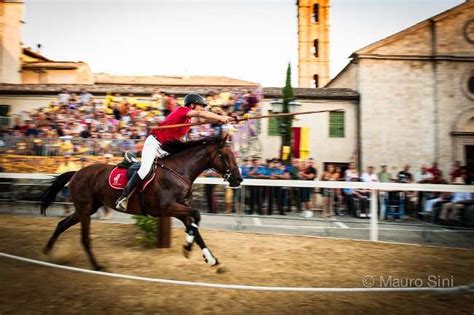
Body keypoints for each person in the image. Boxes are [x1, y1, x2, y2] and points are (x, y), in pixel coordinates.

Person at [115, 94, 233, 211]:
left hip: (165, 148)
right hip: (154, 143)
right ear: (192, 105)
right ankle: (123, 197)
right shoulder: (182, 110)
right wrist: (220, 117)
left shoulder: (188, 120)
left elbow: (203, 118)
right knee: (145, 169)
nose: (202, 108)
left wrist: (225, 119)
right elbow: (201, 114)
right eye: (200, 105)